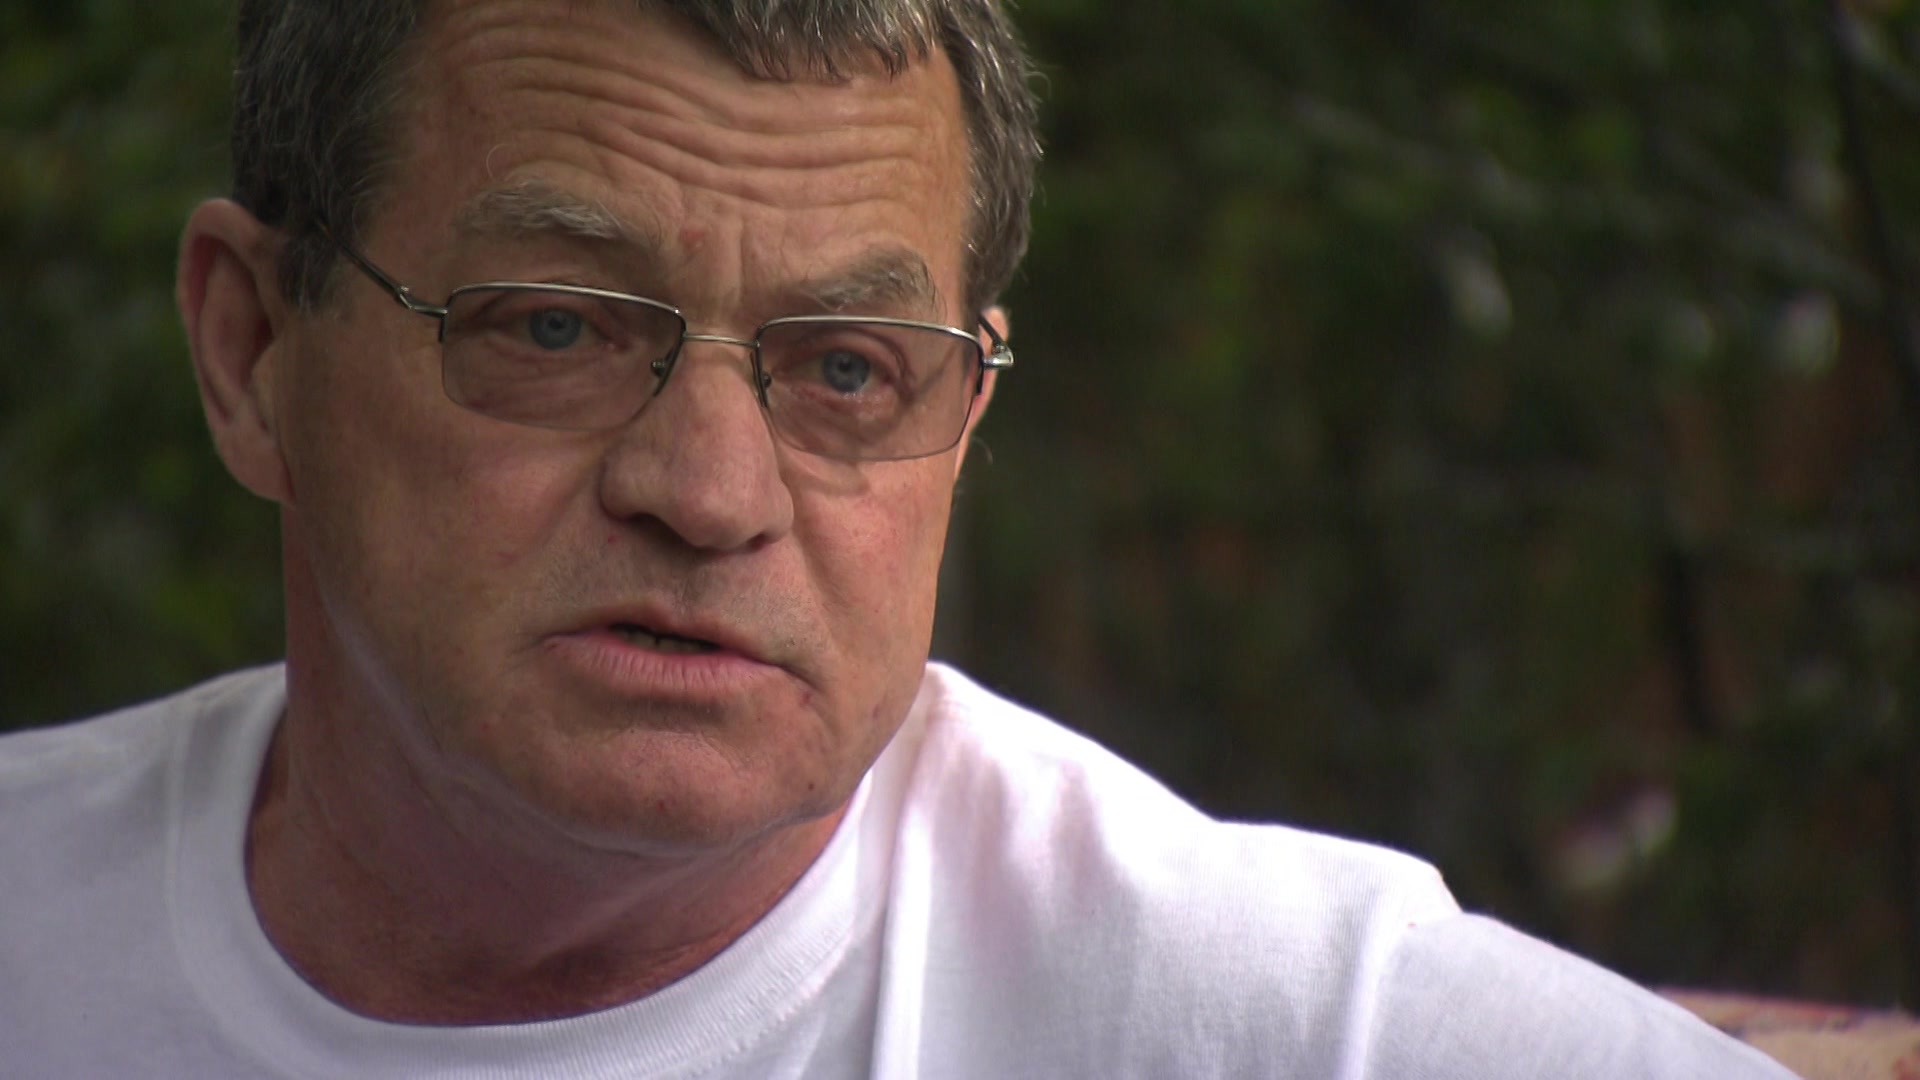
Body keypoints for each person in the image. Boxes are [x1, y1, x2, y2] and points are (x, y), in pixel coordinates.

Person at [0, 1, 1797, 1076]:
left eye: (847, 368)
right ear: (253, 351)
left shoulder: (1270, 1020)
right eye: (557, 325)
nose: (712, 490)